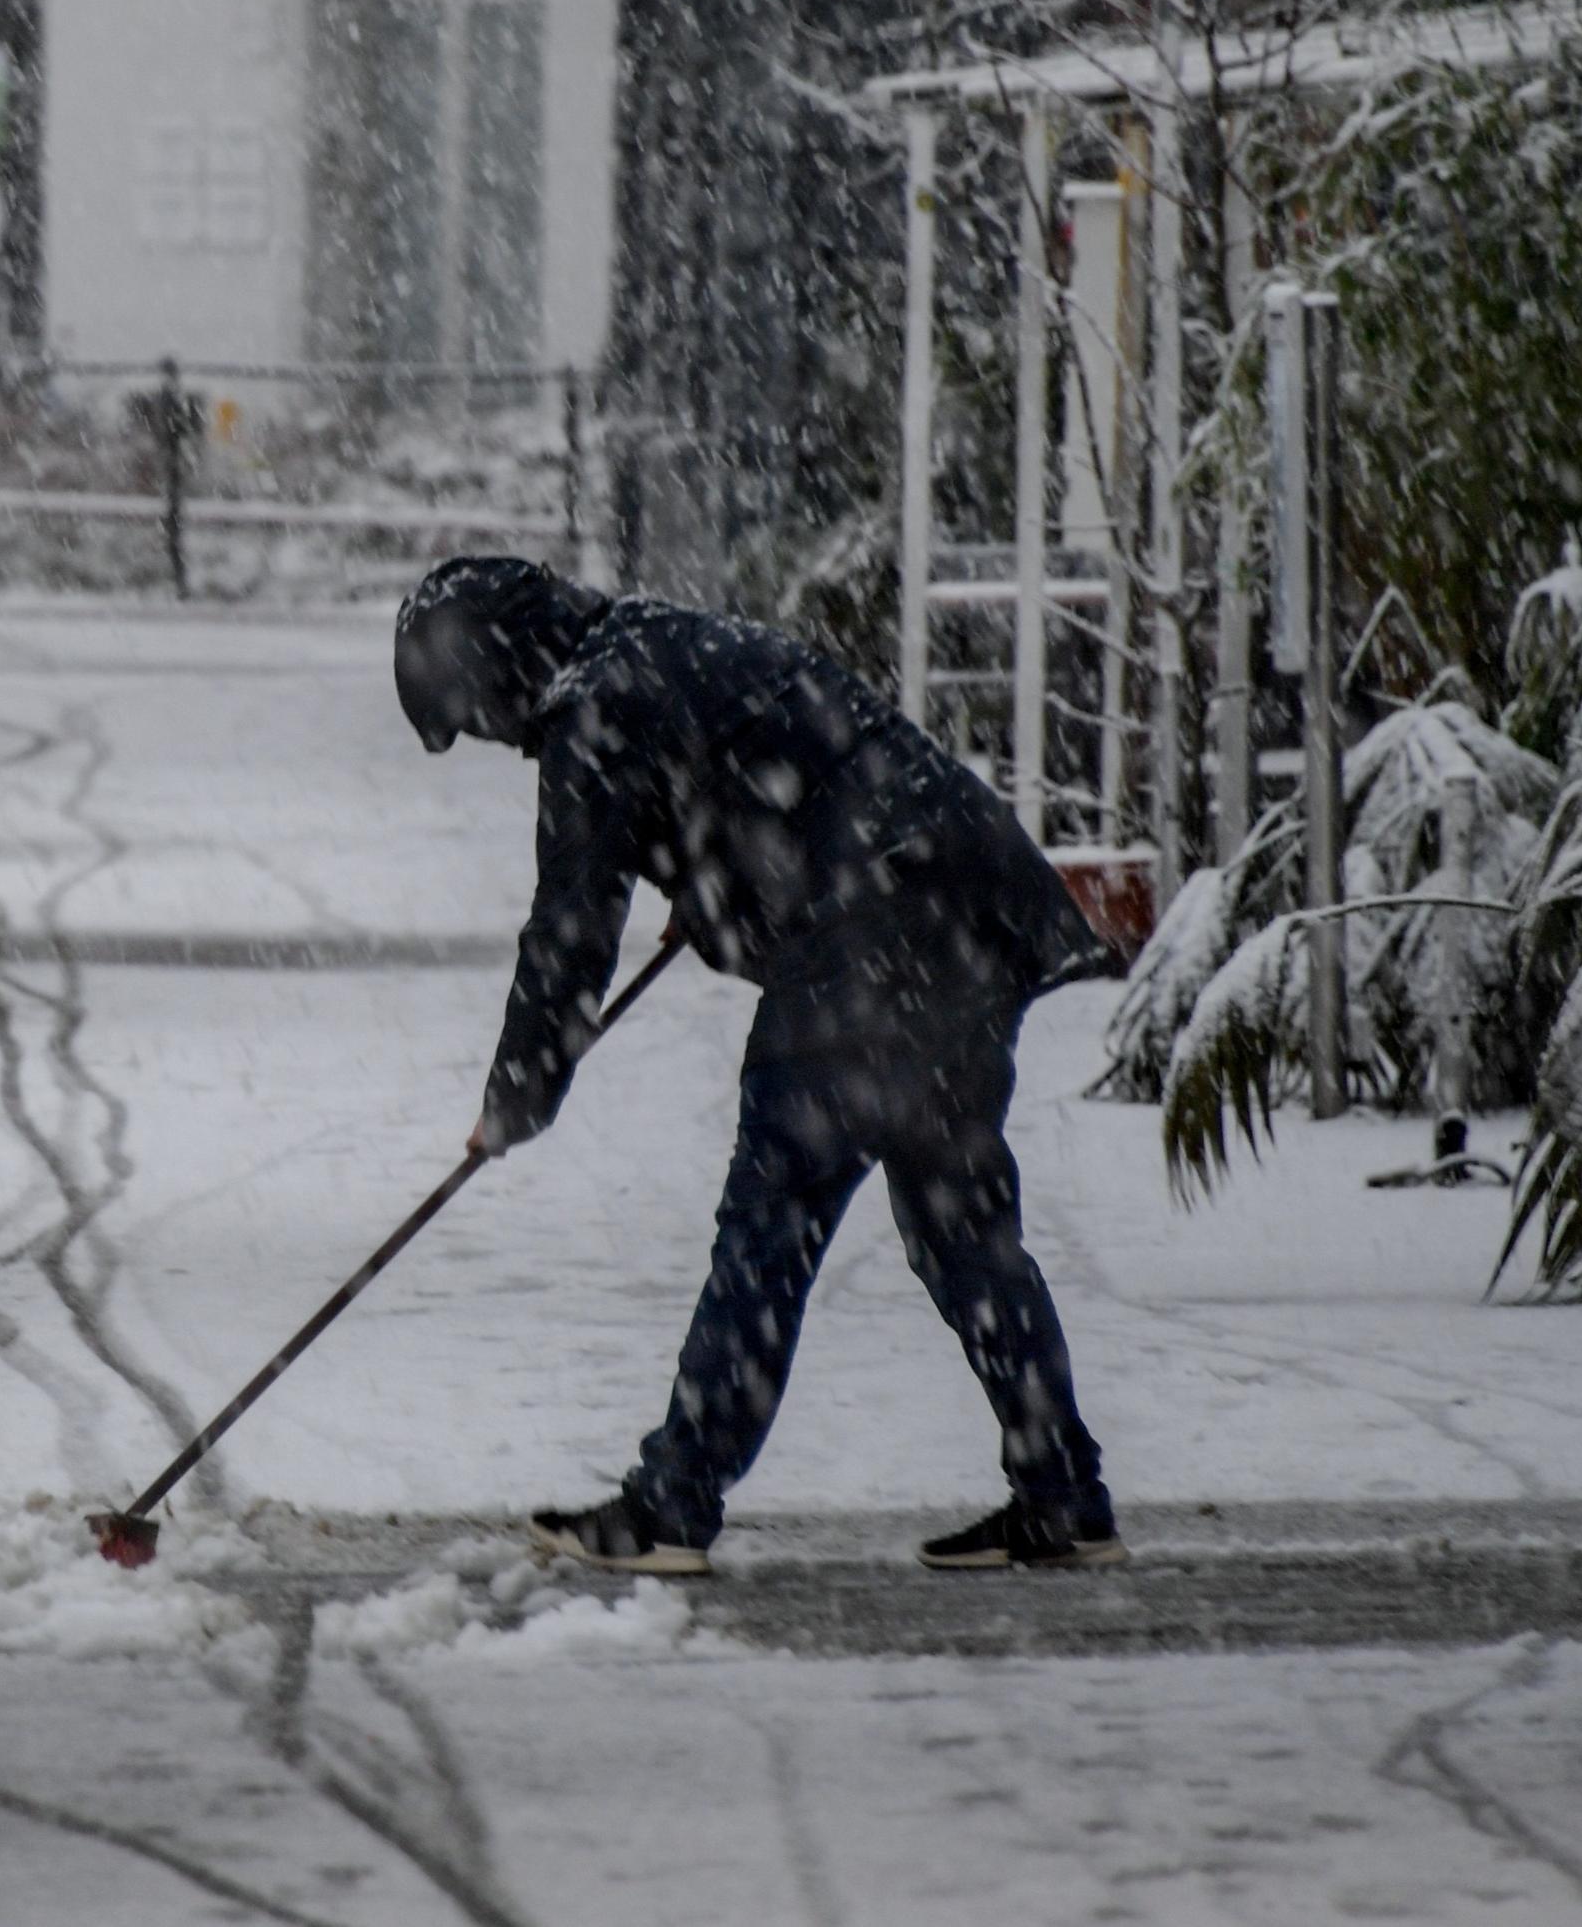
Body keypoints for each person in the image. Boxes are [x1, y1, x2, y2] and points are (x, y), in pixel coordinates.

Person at [394, 556, 1125, 1575]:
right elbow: (781, 783)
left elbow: (570, 927)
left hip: (873, 941)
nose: (497, 738)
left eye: (474, 714)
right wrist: (721, 889)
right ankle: (1062, 1494)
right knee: (960, 1229)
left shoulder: (593, 703)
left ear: (497, 667)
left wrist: (516, 1097)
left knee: (770, 1219)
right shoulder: (657, 642)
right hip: (966, 905)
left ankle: (672, 1506)